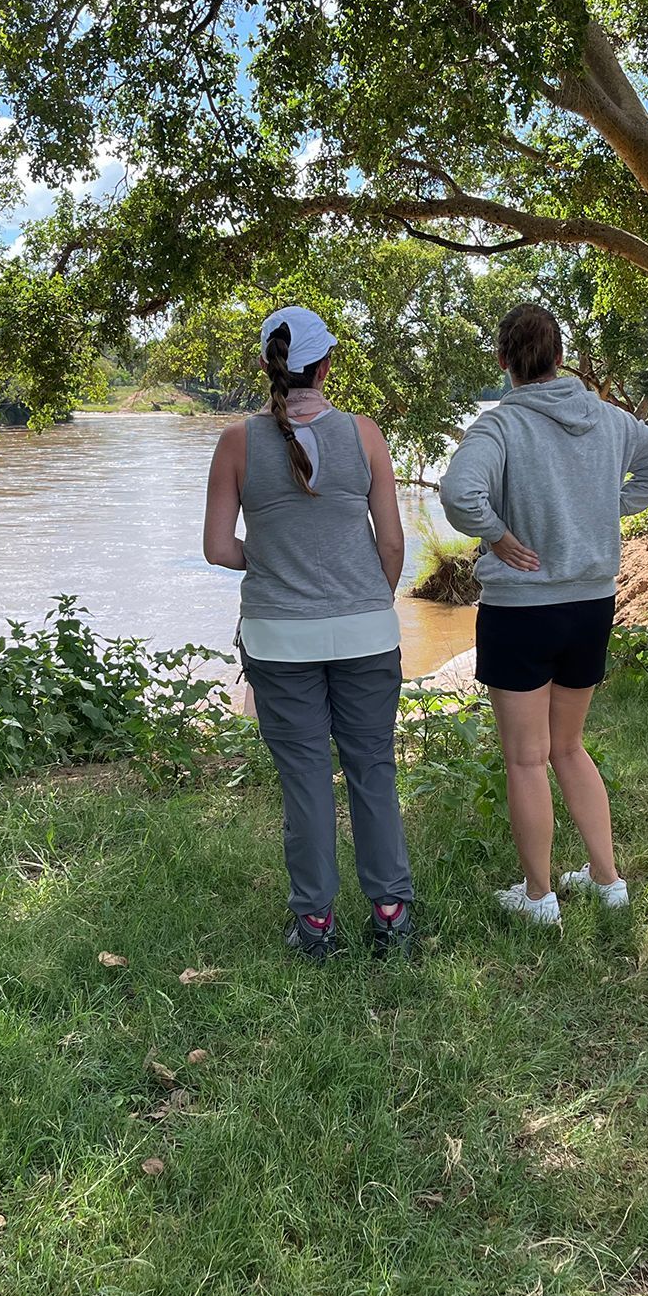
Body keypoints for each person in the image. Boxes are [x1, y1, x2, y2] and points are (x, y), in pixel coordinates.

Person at [440, 304, 648, 925]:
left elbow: (457, 493)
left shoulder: (499, 427)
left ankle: (538, 897)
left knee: (526, 757)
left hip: (522, 609)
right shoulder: (607, 419)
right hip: (590, 605)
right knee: (570, 747)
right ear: (560, 357)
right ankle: (608, 882)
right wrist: (609, 507)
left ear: (504, 362)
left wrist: (496, 535)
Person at [203, 306, 415, 962]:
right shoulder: (367, 434)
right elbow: (392, 543)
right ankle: (390, 912)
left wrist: (269, 563)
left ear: (268, 366)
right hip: (367, 634)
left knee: (304, 778)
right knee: (372, 769)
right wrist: (363, 604)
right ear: (327, 366)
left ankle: (317, 926)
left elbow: (217, 548)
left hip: (277, 640)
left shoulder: (236, 443)